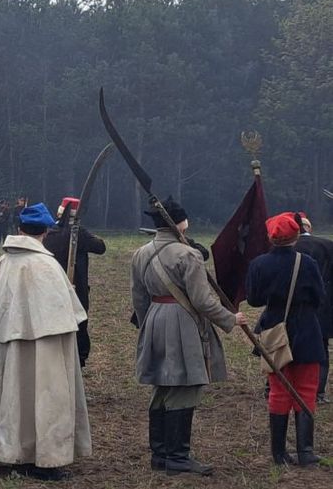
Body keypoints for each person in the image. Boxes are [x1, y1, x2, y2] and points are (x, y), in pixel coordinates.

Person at [131, 197, 246, 476]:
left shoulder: (140, 253)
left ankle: (160, 454)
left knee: (162, 386)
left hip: (155, 318)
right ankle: (177, 457)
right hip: (181, 321)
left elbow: (139, 298)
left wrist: (150, 323)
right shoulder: (187, 254)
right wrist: (230, 319)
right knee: (184, 386)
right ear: (179, 223)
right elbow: (203, 301)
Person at [0, 203, 91, 481]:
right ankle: (45, 457)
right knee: (45, 398)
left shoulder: (1, 264)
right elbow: (72, 314)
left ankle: (11, 450)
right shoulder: (47, 265)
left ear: (19, 230)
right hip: (44, 351)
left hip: (9, 346)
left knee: (12, 399)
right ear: (46, 232)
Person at [247, 213, 326, 466]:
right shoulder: (308, 263)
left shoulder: (258, 264)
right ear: (294, 236)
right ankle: (305, 452)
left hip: (274, 328)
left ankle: (279, 454)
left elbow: (254, 299)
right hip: (306, 329)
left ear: (272, 237)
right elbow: (319, 297)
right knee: (306, 389)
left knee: (279, 391)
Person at [43, 197, 107, 367]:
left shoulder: (50, 232)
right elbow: (101, 246)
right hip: (74, 287)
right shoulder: (76, 234)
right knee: (78, 322)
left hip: (54, 286)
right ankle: (77, 357)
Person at [295, 212, 333, 402]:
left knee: (284, 346)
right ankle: (318, 392)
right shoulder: (328, 245)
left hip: (291, 307)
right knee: (321, 349)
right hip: (321, 307)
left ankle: (274, 387)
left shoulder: (284, 246)